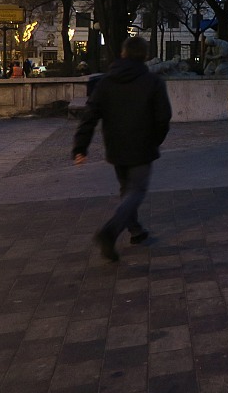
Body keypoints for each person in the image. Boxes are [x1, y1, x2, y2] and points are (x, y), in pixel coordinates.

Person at [72, 36, 172, 262]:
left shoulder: (106, 82)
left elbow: (90, 115)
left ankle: (135, 229)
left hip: (116, 144)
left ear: (123, 53)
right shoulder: (153, 82)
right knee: (136, 191)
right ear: (144, 56)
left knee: (127, 189)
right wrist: (155, 140)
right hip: (143, 144)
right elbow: (163, 118)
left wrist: (81, 146)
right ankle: (110, 231)